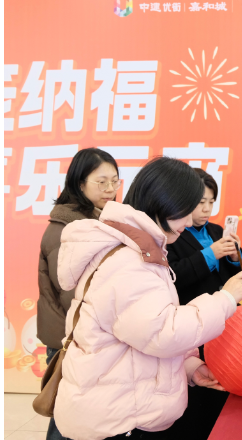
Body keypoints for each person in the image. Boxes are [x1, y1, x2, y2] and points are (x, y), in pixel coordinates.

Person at [54, 157, 242, 440]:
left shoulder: (136, 250)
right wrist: (225, 299)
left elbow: (142, 333)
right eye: (185, 210)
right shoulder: (129, 260)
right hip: (118, 419)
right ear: (162, 201)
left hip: (124, 403)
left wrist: (188, 367)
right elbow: (163, 332)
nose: (188, 221)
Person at [37, 148, 120, 440]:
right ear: (79, 183)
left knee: (74, 414)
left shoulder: (96, 221)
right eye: (101, 182)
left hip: (76, 338)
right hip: (69, 339)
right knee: (67, 418)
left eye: (115, 181)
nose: (110, 189)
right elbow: (69, 294)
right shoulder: (69, 229)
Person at [166, 168, 242, 439]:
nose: (206, 208)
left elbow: (231, 278)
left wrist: (236, 258)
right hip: (191, 320)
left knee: (221, 385)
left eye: (211, 202)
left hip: (224, 320)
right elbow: (175, 276)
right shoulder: (173, 234)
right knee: (196, 389)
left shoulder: (216, 230)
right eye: (201, 201)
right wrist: (210, 254)